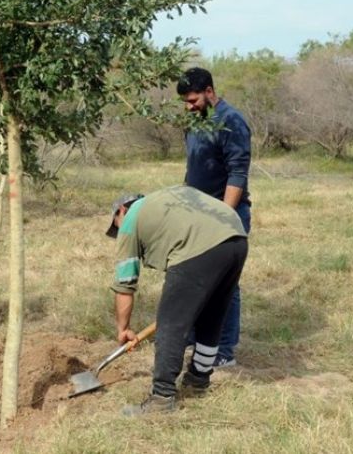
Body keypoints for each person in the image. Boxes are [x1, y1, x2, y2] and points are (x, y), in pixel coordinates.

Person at [104, 186, 248, 415]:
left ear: (121, 211)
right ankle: (199, 379)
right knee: (212, 315)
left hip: (199, 246)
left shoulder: (130, 220)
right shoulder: (164, 200)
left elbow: (125, 284)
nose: (118, 233)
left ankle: (161, 398)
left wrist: (123, 329)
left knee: (171, 323)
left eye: (116, 226)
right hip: (236, 236)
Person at [177, 67, 252, 368]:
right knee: (195, 279)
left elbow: (237, 173)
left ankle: (224, 351)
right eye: (185, 101)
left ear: (210, 91)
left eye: (193, 100)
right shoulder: (195, 121)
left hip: (226, 215)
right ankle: (196, 339)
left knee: (225, 284)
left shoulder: (231, 121)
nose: (189, 106)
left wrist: (222, 216)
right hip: (196, 213)